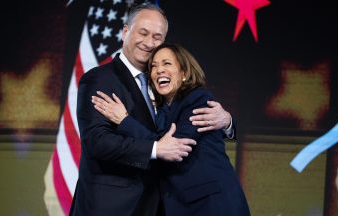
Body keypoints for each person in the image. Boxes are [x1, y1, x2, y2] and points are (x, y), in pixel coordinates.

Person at [70, 3, 235, 216]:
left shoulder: (165, 84)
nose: (149, 43)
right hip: (111, 207)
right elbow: (96, 141)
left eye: (157, 37)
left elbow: (181, 131)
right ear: (125, 31)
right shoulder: (99, 79)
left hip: (161, 206)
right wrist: (156, 149)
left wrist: (228, 121)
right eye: (143, 33)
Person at [93, 43, 250, 216]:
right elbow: (158, 145)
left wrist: (124, 120)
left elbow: (175, 148)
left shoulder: (198, 99)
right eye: (154, 66)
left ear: (184, 74)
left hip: (212, 205)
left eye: (167, 63)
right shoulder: (161, 111)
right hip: (182, 206)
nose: (159, 70)